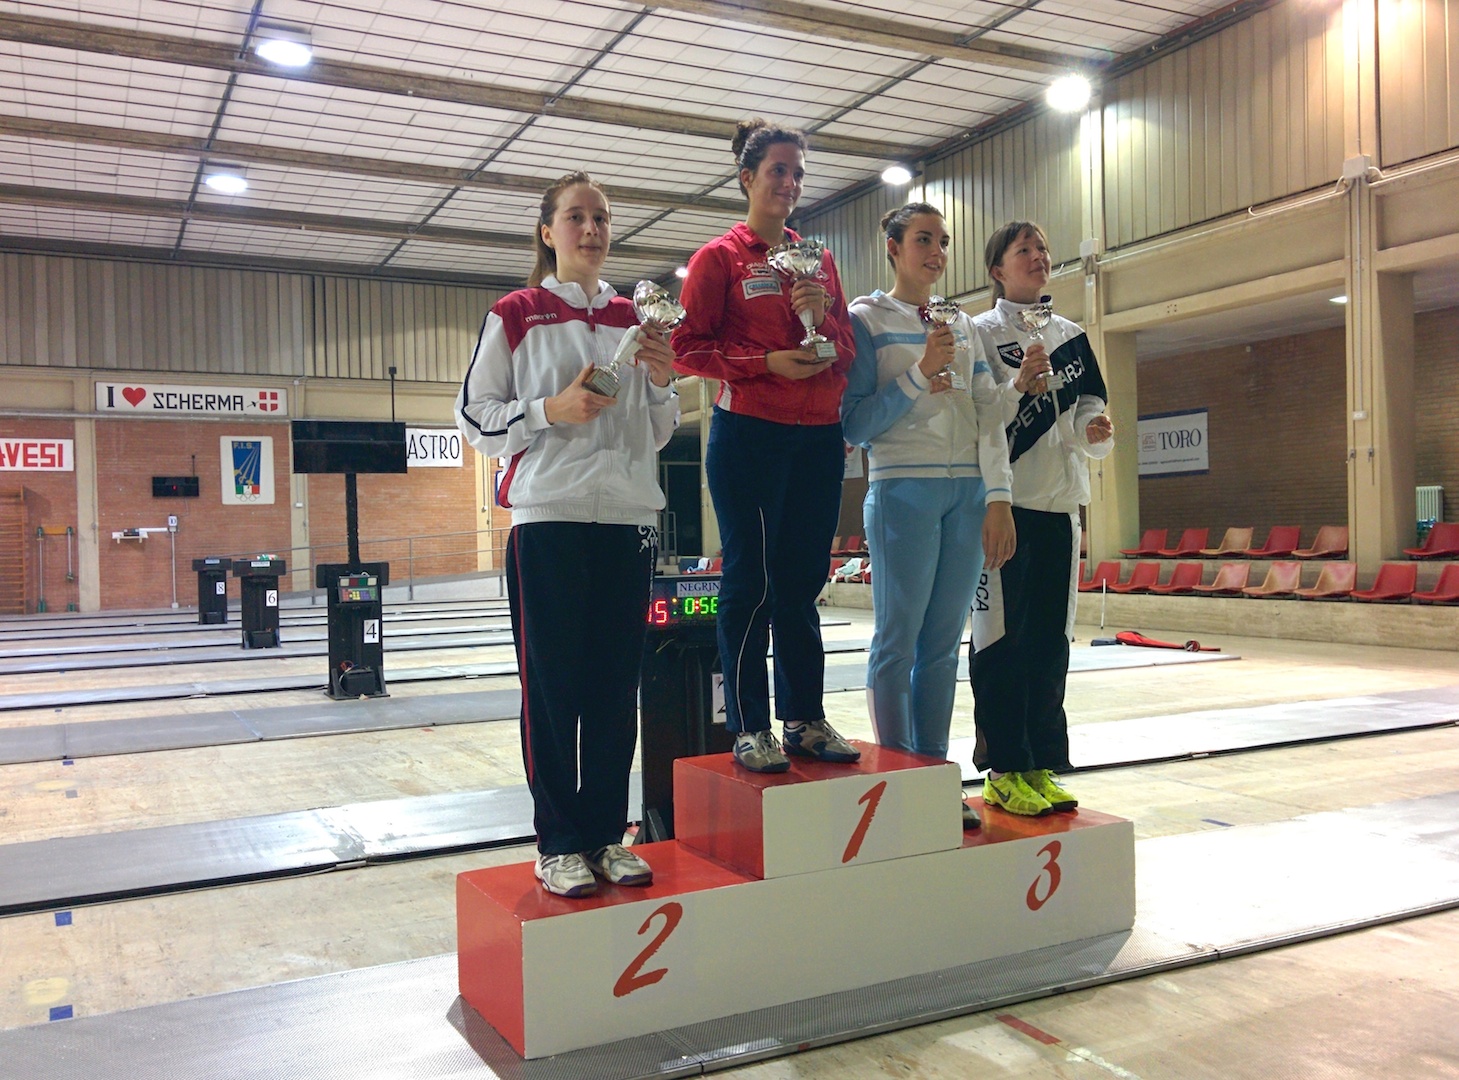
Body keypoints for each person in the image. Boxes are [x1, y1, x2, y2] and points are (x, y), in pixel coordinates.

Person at [455, 171, 680, 898]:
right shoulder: (516, 314)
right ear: (547, 232)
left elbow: (658, 431)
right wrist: (551, 409)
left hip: (626, 520)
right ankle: (557, 842)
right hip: (548, 518)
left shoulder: (634, 318)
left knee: (614, 690)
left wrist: (665, 380)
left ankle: (605, 836)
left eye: (602, 218)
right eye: (576, 217)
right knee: (552, 691)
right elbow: (474, 417)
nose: (591, 229)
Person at [671, 118, 860, 774]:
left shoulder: (820, 261)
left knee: (801, 584)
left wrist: (824, 317)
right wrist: (765, 363)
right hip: (749, 436)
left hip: (817, 439)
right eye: (778, 170)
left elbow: (847, 350)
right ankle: (751, 726)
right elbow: (686, 347)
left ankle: (804, 718)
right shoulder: (719, 259)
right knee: (749, 582)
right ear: (747, 178)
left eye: (798, 173)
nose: (790, 183)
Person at [842, 203, 1017, 829]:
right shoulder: (865, 320)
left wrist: (998, 494)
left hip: (965, 493)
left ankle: (935, 776)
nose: (937, 252)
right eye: (923, 240)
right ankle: (898, 779)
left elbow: (988, 411)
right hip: (901, 489)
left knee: (942, 648)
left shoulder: (962, 323)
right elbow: (854, 423)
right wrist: (918, 375)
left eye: (943, 241)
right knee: (897, 642)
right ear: (893, 247)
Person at [969, 220, 1115, 816]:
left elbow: (1090, 405)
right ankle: (1004, 768)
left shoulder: (1071, 336)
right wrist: (1018, 385)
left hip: (1060, 505)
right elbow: (978, 418)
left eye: (1043, 249)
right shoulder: (980, 333)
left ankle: (1040, 763)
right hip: (1005, 508)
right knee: (1002, 642)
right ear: (997, 269)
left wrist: (1093, 429)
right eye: (1023, 249)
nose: (1037, 256)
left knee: (1051, 643)